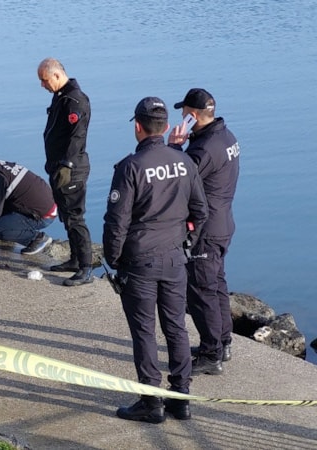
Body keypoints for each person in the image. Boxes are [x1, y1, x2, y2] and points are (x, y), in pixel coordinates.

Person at [103, 97, 208, 423]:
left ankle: (151, 402)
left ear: (138, 127)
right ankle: (181, 398)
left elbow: (115, 222)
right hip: (175, 257)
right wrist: (186, 243)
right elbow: (201, 211)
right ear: (164, 128)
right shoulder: (184, 163)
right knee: (177, 327)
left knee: (145, 332)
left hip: (140, 261)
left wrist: (114, 258)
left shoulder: (131, 167)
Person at [168, 88, 240, 375]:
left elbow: (180, 178)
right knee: (217, 285)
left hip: (206, 230)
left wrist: (174, 147)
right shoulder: (227, 136)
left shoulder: (204, 149)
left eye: (184, 113)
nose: (182, 117)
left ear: (193, 115)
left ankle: (212, 354)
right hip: (223, 222)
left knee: (201, 291)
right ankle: (223, 342)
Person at [37, 58, 93, 286]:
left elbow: (76, 136)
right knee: (66, 217)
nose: (43, 85)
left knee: (75, 217)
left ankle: (86, 267)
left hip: (72, 170)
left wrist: (66, 165)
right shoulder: (61, 96)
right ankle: (74, 259)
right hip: (58, 166)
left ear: (57, 76)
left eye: (44, 80)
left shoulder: (75, 101)